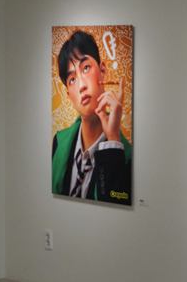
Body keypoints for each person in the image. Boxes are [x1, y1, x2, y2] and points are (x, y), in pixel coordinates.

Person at [52, 30, 131, 204]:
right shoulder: (58, 143)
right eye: (72, 79)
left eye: (86, 68)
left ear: (103, 71)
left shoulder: (127, 157)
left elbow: (117, 207)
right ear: (69, 96)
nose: (81, 85)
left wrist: (113, 139)